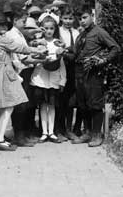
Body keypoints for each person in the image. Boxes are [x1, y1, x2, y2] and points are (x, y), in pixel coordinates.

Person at [0, 11, 44, 151]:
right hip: (5, 72)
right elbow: (19, 48)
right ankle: (0, 139)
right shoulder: (0, 39)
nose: (3, 27)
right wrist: (37, 50)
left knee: (1, 107)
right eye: (0, 25)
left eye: (5, 24)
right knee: (9, 105)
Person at [72, 6, 120, 148]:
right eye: (80, 19)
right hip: (80, 71)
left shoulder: (99, 32)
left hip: (93, 72)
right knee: (83, 104)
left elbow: (115, 48)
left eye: (85, 17)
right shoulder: (81, 35)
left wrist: (103, 60)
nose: (82, 21)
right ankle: (87, 133)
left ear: (92, 16)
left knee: (95, 104)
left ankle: (96, 135)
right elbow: (76, 53)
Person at [5, 9, 41, 147]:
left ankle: (24, 134)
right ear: (15, 21)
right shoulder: (12, 35)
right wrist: (40, 59)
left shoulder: (19, 33)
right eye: (23, 21)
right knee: (20, 105)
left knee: (26, 105)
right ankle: (19, 135)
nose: (25, 24)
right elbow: (22, 57)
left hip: (25, 71)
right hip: (19, 72)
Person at [30, 15, 67, 143]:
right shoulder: (39, 42)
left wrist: (63, 80)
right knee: (42, 105)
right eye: (46, 28)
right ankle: (44, 132)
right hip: (41, 77)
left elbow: (61, 63)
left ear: (55, 29)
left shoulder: (58, 43)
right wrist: (41, 57)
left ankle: (51, 132)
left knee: (52, 105)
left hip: (54, 78)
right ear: (42, 29)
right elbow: (33, 58)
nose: (49, 31)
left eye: (51, 28)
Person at [57, 8, 80, 141]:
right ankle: (59, 129)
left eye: (70, 18)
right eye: (65, 18)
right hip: (61, 66)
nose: (68, 21)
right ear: (61, 18)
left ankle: (69, 129)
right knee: (60, 99)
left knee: (71, 100)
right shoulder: (58, 31)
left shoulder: (76, 32)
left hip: (73, 68)